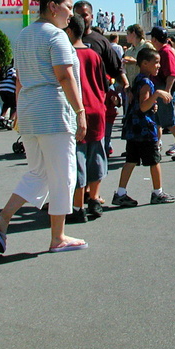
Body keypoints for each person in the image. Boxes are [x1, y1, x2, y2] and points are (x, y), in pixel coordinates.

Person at [0, 0, 88, 255]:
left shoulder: (23, 36)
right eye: (68, 6)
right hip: (53, 112)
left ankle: (2, 219)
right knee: (64, 174)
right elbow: (65, 77)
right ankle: (58, 237)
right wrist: (80, 111)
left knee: (40, 172)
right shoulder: (56, 36)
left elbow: (19, 79)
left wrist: (20, 113)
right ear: (53, 6)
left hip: (30, 111)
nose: (71, 13)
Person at [111, 47, 175, 207]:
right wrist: (156, 96)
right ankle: (157, 192)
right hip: (144, 129)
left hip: (134, 129)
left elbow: (142, 103)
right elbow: (143, 106)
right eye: (156, 63)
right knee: (154, 161)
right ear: (145, 63)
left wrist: (152, 104)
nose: (158, 66)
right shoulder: (146, 83)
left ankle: (120, 192)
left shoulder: (139, 79)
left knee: (131, 160)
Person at [65, 14, 108, 222]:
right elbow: (103, 84)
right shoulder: (94, 55)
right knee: (97, 157)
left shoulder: (66, 55)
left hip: (77, 111)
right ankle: (94, 199)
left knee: (78, 160)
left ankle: (78, 206)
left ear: (70, 31)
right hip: (97, 109)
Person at [149, 26, 175, 160]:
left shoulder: (166, 52)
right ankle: (157, 146)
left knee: (170, 122)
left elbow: (172, 73)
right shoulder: (165, 50)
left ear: (154, 39)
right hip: (161, 89)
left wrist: (166, 91)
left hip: (164, 90)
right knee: (159, 121)